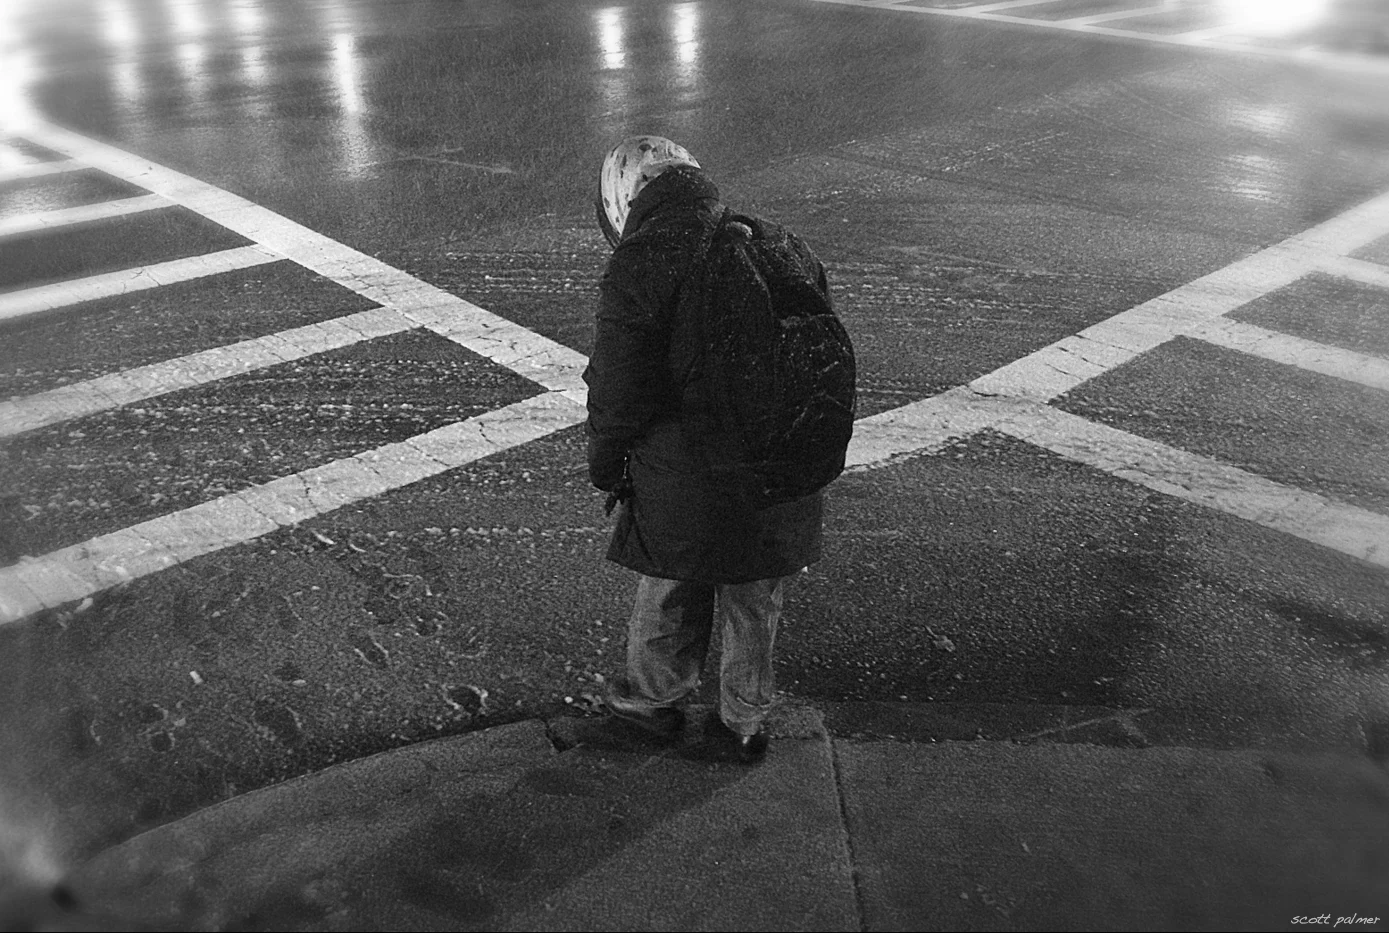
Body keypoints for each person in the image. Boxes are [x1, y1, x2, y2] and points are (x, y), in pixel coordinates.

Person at [583, 136, 851, 764]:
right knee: (755, 601)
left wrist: (606, 468)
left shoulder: (647, 257)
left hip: (688, 473)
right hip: (781, 469)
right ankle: (745, 723)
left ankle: (651, 706)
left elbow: (617, 389)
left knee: (670, 587)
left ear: (625, 197)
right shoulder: (778, 242)